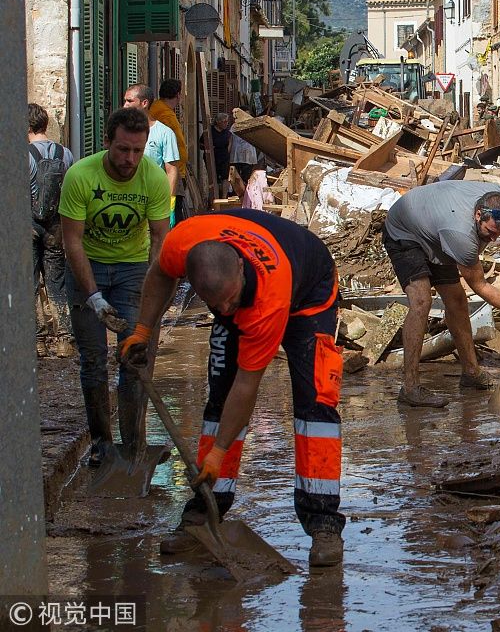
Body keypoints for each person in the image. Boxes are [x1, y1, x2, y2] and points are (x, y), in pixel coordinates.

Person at [119, 209, 346, 567]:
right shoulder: (182, 242)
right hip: (255, 272)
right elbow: (161, 274)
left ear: (240, 268)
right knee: (218, 398)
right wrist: (143, 331)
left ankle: (323, 522)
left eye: (229, 299)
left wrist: (219, 451)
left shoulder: (268, 299)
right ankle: (206, 509)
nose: (224, 308)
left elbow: (248, 384)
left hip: (309, 292)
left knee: (315, 405)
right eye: (214, 304)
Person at [383, 181, 500, 408]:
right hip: (405, 229)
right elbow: (480, 285)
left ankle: (471, 373)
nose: (494, 240)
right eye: (490, 232)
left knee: (457, 300)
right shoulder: (460, 234)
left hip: (433, 224)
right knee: (421, 301)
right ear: (478, 214)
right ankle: (410, 388)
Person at [58, 107, 171, 467]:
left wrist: (151, 295)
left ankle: (133, 444)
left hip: (132, 269)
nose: (130, 159)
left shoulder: (152, 178)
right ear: (107, 142)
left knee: (134, 358)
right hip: (86, 264)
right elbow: (71, 242)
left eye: (137, 151)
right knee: (92, 360)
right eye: (123, 150)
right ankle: (102, 445)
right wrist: (92, 297)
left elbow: (159, 240)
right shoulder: (79, 176)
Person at [29, 103, 77, 358]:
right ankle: (65, 340)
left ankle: (37, 340)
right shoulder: (65, 153)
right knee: (57, 281)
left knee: (32, 282)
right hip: (56, 225)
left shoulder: (22, 154)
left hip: (29, 223)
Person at [123, 84, 180, 208]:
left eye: (130, 101)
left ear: (144, 103)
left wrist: (169, 204)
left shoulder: (165, 133)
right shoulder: (121, 132)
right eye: (125, 101)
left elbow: (171, 171)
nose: (125, 105)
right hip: (124, 201)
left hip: (152, 201)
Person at [151, 79, 188, 222]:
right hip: (171, 169)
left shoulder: (160, 110)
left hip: (172, 167)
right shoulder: (165, 114)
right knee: (174, 210)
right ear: (178, 95)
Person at [210, 113, 232, 198]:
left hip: (224, 157)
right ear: (218, 122)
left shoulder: (227, 132)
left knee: (225, 177)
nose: (226, 123)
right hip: (214, 157)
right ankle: (214, 196)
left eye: (227, 121)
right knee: (214, 178)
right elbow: (202, 144)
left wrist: (227, 151)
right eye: (224, 122)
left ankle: (224, 197)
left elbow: (230, 140)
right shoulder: (211, 131)